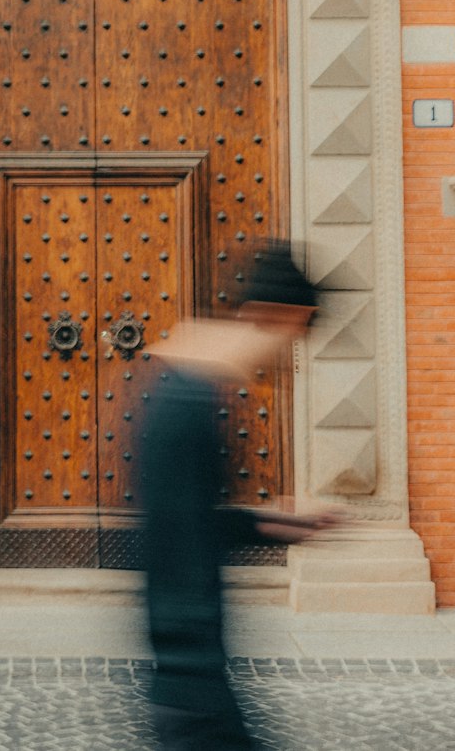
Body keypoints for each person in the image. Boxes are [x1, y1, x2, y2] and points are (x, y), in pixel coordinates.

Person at [140, 239, 339, 751]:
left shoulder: (190, 391)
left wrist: (272, 526)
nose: (288, 351)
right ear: (269, 315)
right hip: (191, 681)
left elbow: (192, 523)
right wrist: (195, 678)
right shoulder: (186, 402)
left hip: (192, 676)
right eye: (294, 332)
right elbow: (175, 540)